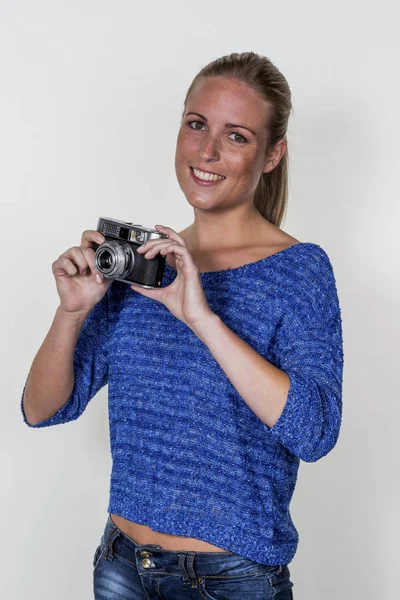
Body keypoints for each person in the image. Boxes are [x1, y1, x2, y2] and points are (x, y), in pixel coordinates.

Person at [21, 51, 344, 599]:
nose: (208, 150)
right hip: (122, 566)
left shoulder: (299, 271)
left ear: (272, 155)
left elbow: (314, 433)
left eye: (237, 136)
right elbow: (41, 409)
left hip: (231, 581)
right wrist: (72, 311)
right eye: (197, 125)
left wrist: (202, 317)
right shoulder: (145, 265)